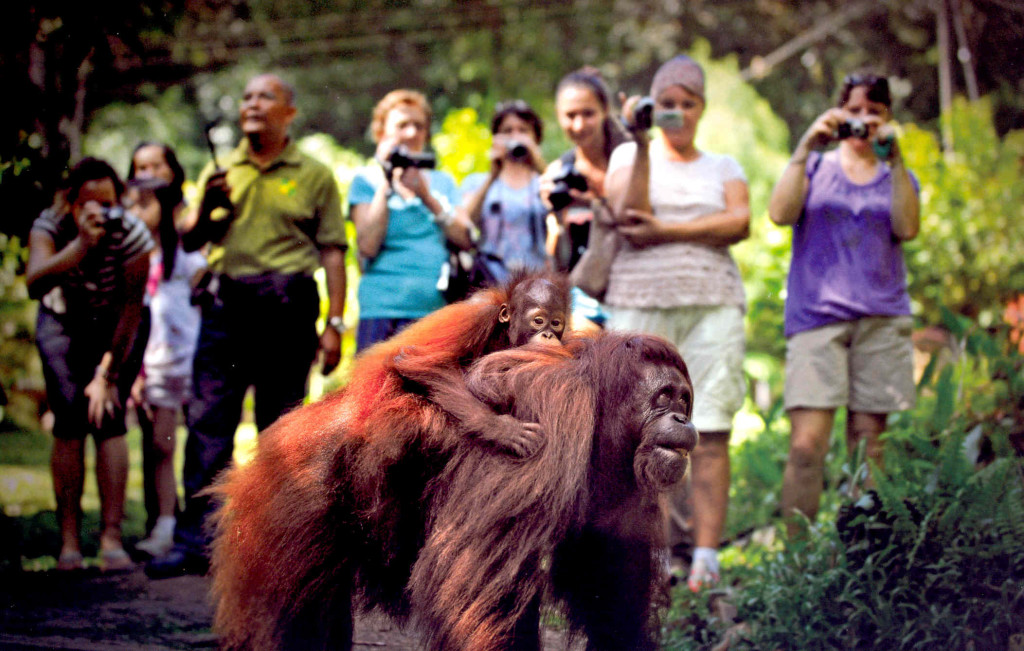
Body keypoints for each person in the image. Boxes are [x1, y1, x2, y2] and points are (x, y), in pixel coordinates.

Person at [146, 73, 348, 577]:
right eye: (247, 97)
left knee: (281, 427)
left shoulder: (314, 173)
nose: (252, 104)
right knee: (208, 422)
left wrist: (334, 323)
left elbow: (333, 252)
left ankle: (276, 545)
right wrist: (209, 209)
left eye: (266, 97)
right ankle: (198, 545)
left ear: (289, 113)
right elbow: (190, 240)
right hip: (225, 306)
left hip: (288, 303)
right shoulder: (224, 170)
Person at [604, 55, 751, 591]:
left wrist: (665, 230)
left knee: (710, 428)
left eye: (688, 103)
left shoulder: (724, 166)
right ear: (652, 106)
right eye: (667, 103)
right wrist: (641, 143)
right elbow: (627, 217)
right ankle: (646, 556)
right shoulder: (627, 155)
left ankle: (707, 558)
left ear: (702, 108)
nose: (678, 112)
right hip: (641, 308)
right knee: (635, 431)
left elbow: (740, 221)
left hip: (713, 305)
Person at [768, 73, 920, 533]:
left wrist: (895, 160)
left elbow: (908, 227)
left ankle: (860, 555)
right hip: (817, 319)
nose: (863, 121)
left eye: (874, 112)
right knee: (806, 446)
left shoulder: (900, 173)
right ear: (837, 115)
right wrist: (804, 148)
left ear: (888, 118)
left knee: (870, 445)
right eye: (853, 111)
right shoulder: (813, 167)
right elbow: (779, 213)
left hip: (881, 319)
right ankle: (795, 567)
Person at [26, 157, 154, 572]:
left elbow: (132, 310)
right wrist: (81, 245)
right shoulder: (50, 225)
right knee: (69, 421)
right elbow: (35, 282)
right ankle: (69, 543)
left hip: (117, 325)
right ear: (71, 201)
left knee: (109, 419)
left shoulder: (132, 234)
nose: (101, 212)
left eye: (108, 202)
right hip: (62, 321)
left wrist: (108, 374)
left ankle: (111, 538)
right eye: (90, 203)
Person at [349, 89, 472, 351]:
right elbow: (367, 246)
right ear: (382, 132)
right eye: (402, 125)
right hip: (381, 308)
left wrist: (426, 195)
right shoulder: (366, 181)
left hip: (432, 310)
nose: (412, 133)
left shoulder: (442, 182)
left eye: (419, 126)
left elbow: (465, 237)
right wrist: (386, 181)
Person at [124, 172, 206, 558]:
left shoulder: (189, 260)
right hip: (156, 368)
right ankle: (165, 525)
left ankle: (207, 523)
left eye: (143, 204)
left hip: (195, 364)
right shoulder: (138, 261)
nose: (133, 213)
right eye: (131, 205)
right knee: (161, 445)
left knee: (204, 444)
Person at [539, 67, 630, 330]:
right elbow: (554, 254)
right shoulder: (560, 173)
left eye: (588, 113)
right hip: (586, 294)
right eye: (570, 115)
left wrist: (597, 198)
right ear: (559, 116)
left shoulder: (629, 160)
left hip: (634, 286)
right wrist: (553, 211)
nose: (578, 125)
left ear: (604, 111)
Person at [459, 100, 550, 282]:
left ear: (536, 137)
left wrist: (538, 163)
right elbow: (463, 227)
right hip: (490, 282)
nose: (515, 137)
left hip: (536, 283)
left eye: (523, 131)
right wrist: (492, 175)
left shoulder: (545, 180)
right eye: (507, 131)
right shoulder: (477, 182)